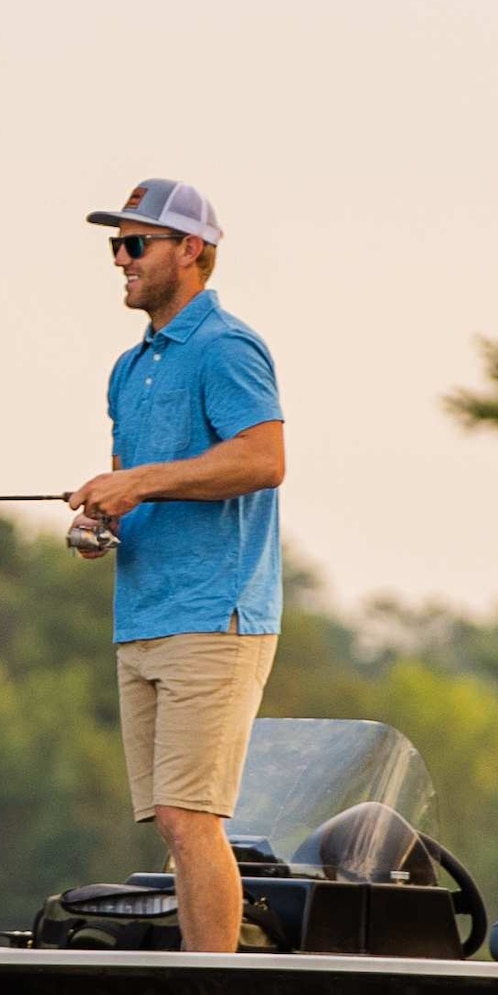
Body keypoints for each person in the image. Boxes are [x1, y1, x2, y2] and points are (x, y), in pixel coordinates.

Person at [65, 178, 288, 954]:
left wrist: (141, 480)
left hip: (215, 614)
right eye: (115, 245)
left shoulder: (227, 346)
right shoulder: (128, 370)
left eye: (135, 244)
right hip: (145, 615)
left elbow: (264, 459)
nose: (120, 260)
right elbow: (137, 485)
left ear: (190, 251)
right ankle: (203, 976)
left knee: (192, 817)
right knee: (171, 818)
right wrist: (103, 521)